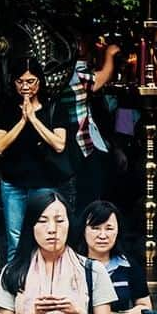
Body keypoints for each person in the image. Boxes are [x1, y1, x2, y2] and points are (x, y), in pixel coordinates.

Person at [0, 59, 71, 258]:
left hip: (44, 182)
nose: (25, 87)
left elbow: (59, 144)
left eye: (31, 81)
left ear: (40, 81)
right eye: (20, 81)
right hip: (13, 182)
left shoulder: (54, 106)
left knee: (46, 236)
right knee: (15, 240)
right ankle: (15, 285)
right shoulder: (8, 107)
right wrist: (22, 120)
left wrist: (34, 119)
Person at [59, 31, 117, 209]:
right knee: (85, 194)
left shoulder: (64, 69)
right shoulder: (71, 73)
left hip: (77, 140)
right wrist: (109, 54)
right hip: (76, 141)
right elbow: (100, 78)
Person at [78, 201, 151, 314]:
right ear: (84, 230)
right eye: (95, 228)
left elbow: (145, 306)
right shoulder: (72, 264)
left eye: (109, 228)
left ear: (118, 231)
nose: (102, 235)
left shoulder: (129, 265)